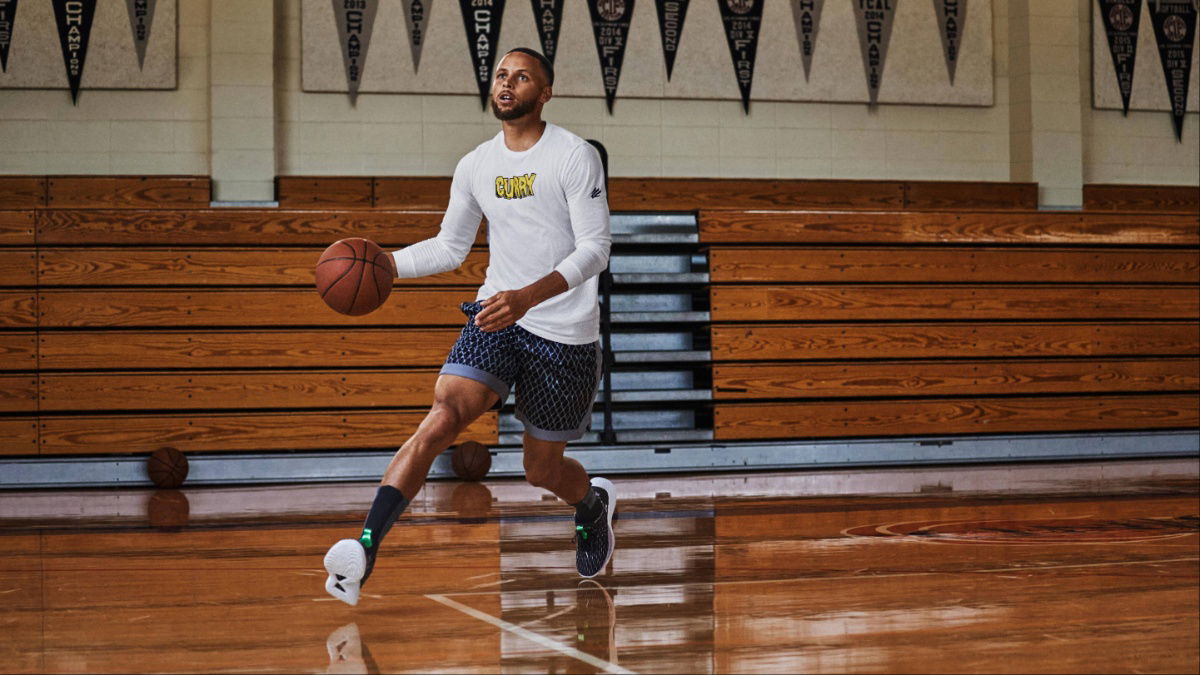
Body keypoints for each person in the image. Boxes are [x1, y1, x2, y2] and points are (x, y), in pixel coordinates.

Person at [323, 47, 616, 606]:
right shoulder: (476, 162)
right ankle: (364, 546)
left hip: (564, 332)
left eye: (522, 76)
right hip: (496, 315)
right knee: (441, 419)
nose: (507, 84)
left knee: (541, 470)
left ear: (546, 92)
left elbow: (596, 249)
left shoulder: (574, 156)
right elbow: (451, 246)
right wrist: (386, 265)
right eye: (501, 75)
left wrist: (529, 297)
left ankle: (592, 506)